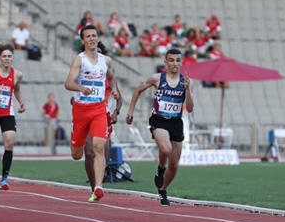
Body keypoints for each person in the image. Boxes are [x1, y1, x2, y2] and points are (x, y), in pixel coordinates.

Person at [125, 48, 194, 206]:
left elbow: (189, 108)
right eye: (171, 60)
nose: (174, 63)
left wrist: (188, 90)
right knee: (165, 149)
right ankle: (160, 167)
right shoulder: (157, 78)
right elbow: (137, 90)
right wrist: (130, 112)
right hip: (159, 120)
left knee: (175, 165)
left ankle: (163, 190)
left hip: (176, 122)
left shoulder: (186, 81)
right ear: (166, 62)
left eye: (177, 60)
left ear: (181, 62)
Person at [65, 24, 119, 202]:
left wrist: (115, 90)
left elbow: (111, 76)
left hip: (98, 109)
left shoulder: (106, 60)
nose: (92, 39)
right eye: (88, 36)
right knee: (77, 155)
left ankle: (98, 187)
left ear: (98, 38)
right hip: (80, 110)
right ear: (83, 40)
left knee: (98, 147)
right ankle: (96, 185)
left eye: (94, 36)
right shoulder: (79, 60)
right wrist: (81, 88)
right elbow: (68, 83)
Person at [82, 41, 123, 191]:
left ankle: (98, 185)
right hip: (85, 113)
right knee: (88, 153)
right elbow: (74, 93)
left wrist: (116, 112)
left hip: (103, 115)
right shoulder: (81, 71)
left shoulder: (108, 75)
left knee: (102, 154)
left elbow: (120, 98)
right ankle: (94, 186)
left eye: (99, 53)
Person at [0, 43, 25, 190]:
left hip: (7, 113)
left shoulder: (17, 74)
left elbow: (17, 90)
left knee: (9, 142)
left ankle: (4, 179)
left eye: (9, 56)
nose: (7, 59)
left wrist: (21, 102)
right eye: (4, 56)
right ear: (0, 58)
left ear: (12, 58)